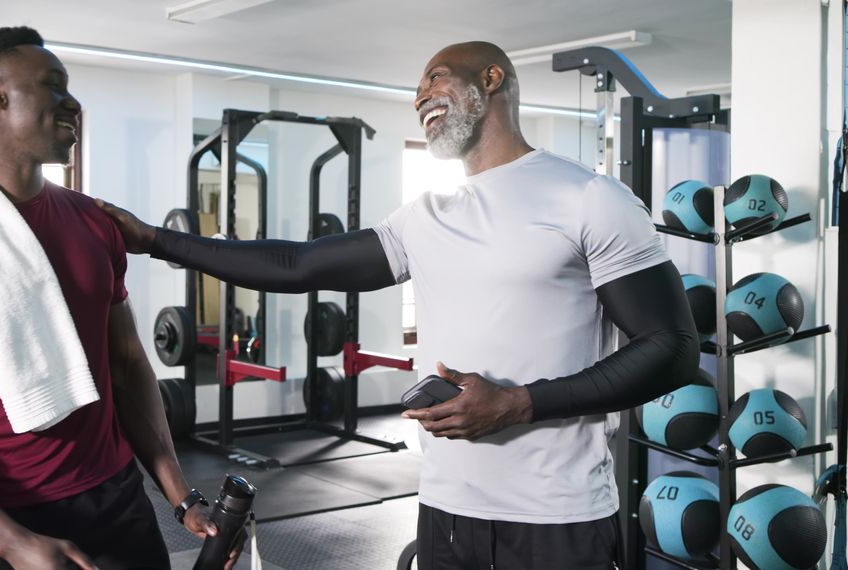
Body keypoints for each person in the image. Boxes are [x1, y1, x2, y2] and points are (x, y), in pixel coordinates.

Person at [98, 41, 699, 569]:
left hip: (557, 515)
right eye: (416, 90)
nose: (420, 97)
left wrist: (519, 403)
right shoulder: (425, 218)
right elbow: (298, 265)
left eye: (435, 78)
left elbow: (672, 348)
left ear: (491, 79)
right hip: (446, 511)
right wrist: (156, 240)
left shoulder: (590, 198)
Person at [0, 27, 237, 570]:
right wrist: (12, 542)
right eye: (53, 85)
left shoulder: (95, 222)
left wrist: (180, 496)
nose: (72, 102)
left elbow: (128, 365)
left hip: (113, 496)